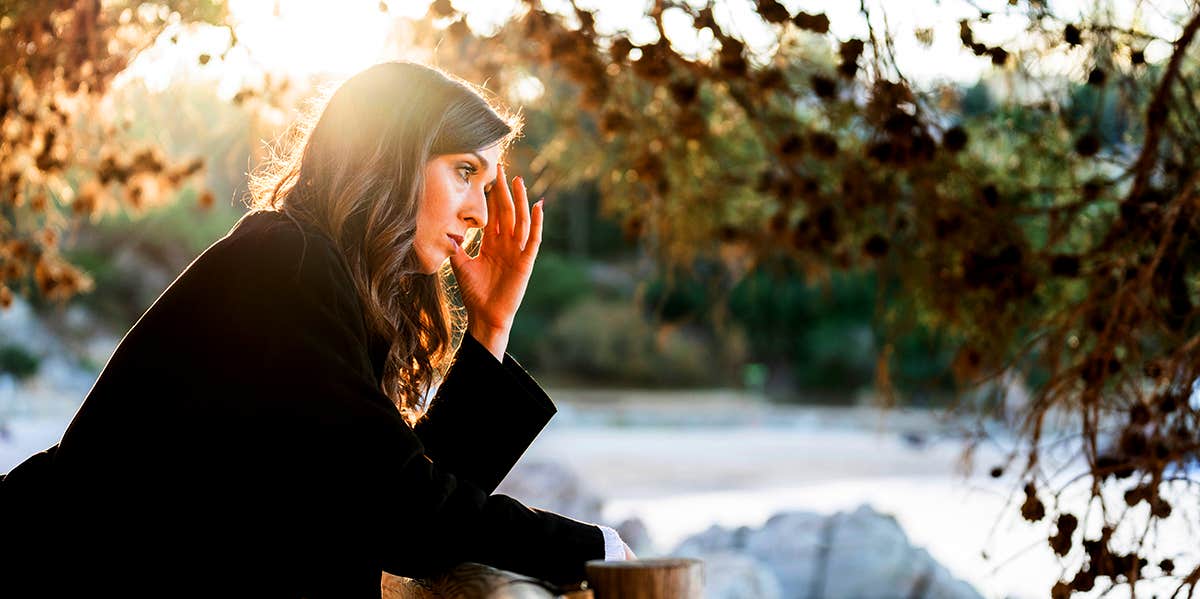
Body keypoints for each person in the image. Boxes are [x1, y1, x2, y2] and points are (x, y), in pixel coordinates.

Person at [0, 61, 633, 597]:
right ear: (394, 155)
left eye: (488, 184)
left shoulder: (316, 274)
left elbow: (398, 489)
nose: (479, 213)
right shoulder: (284, 263)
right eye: (465, 171)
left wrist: (491, 324)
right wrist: (597, 550)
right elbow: (406, 513)